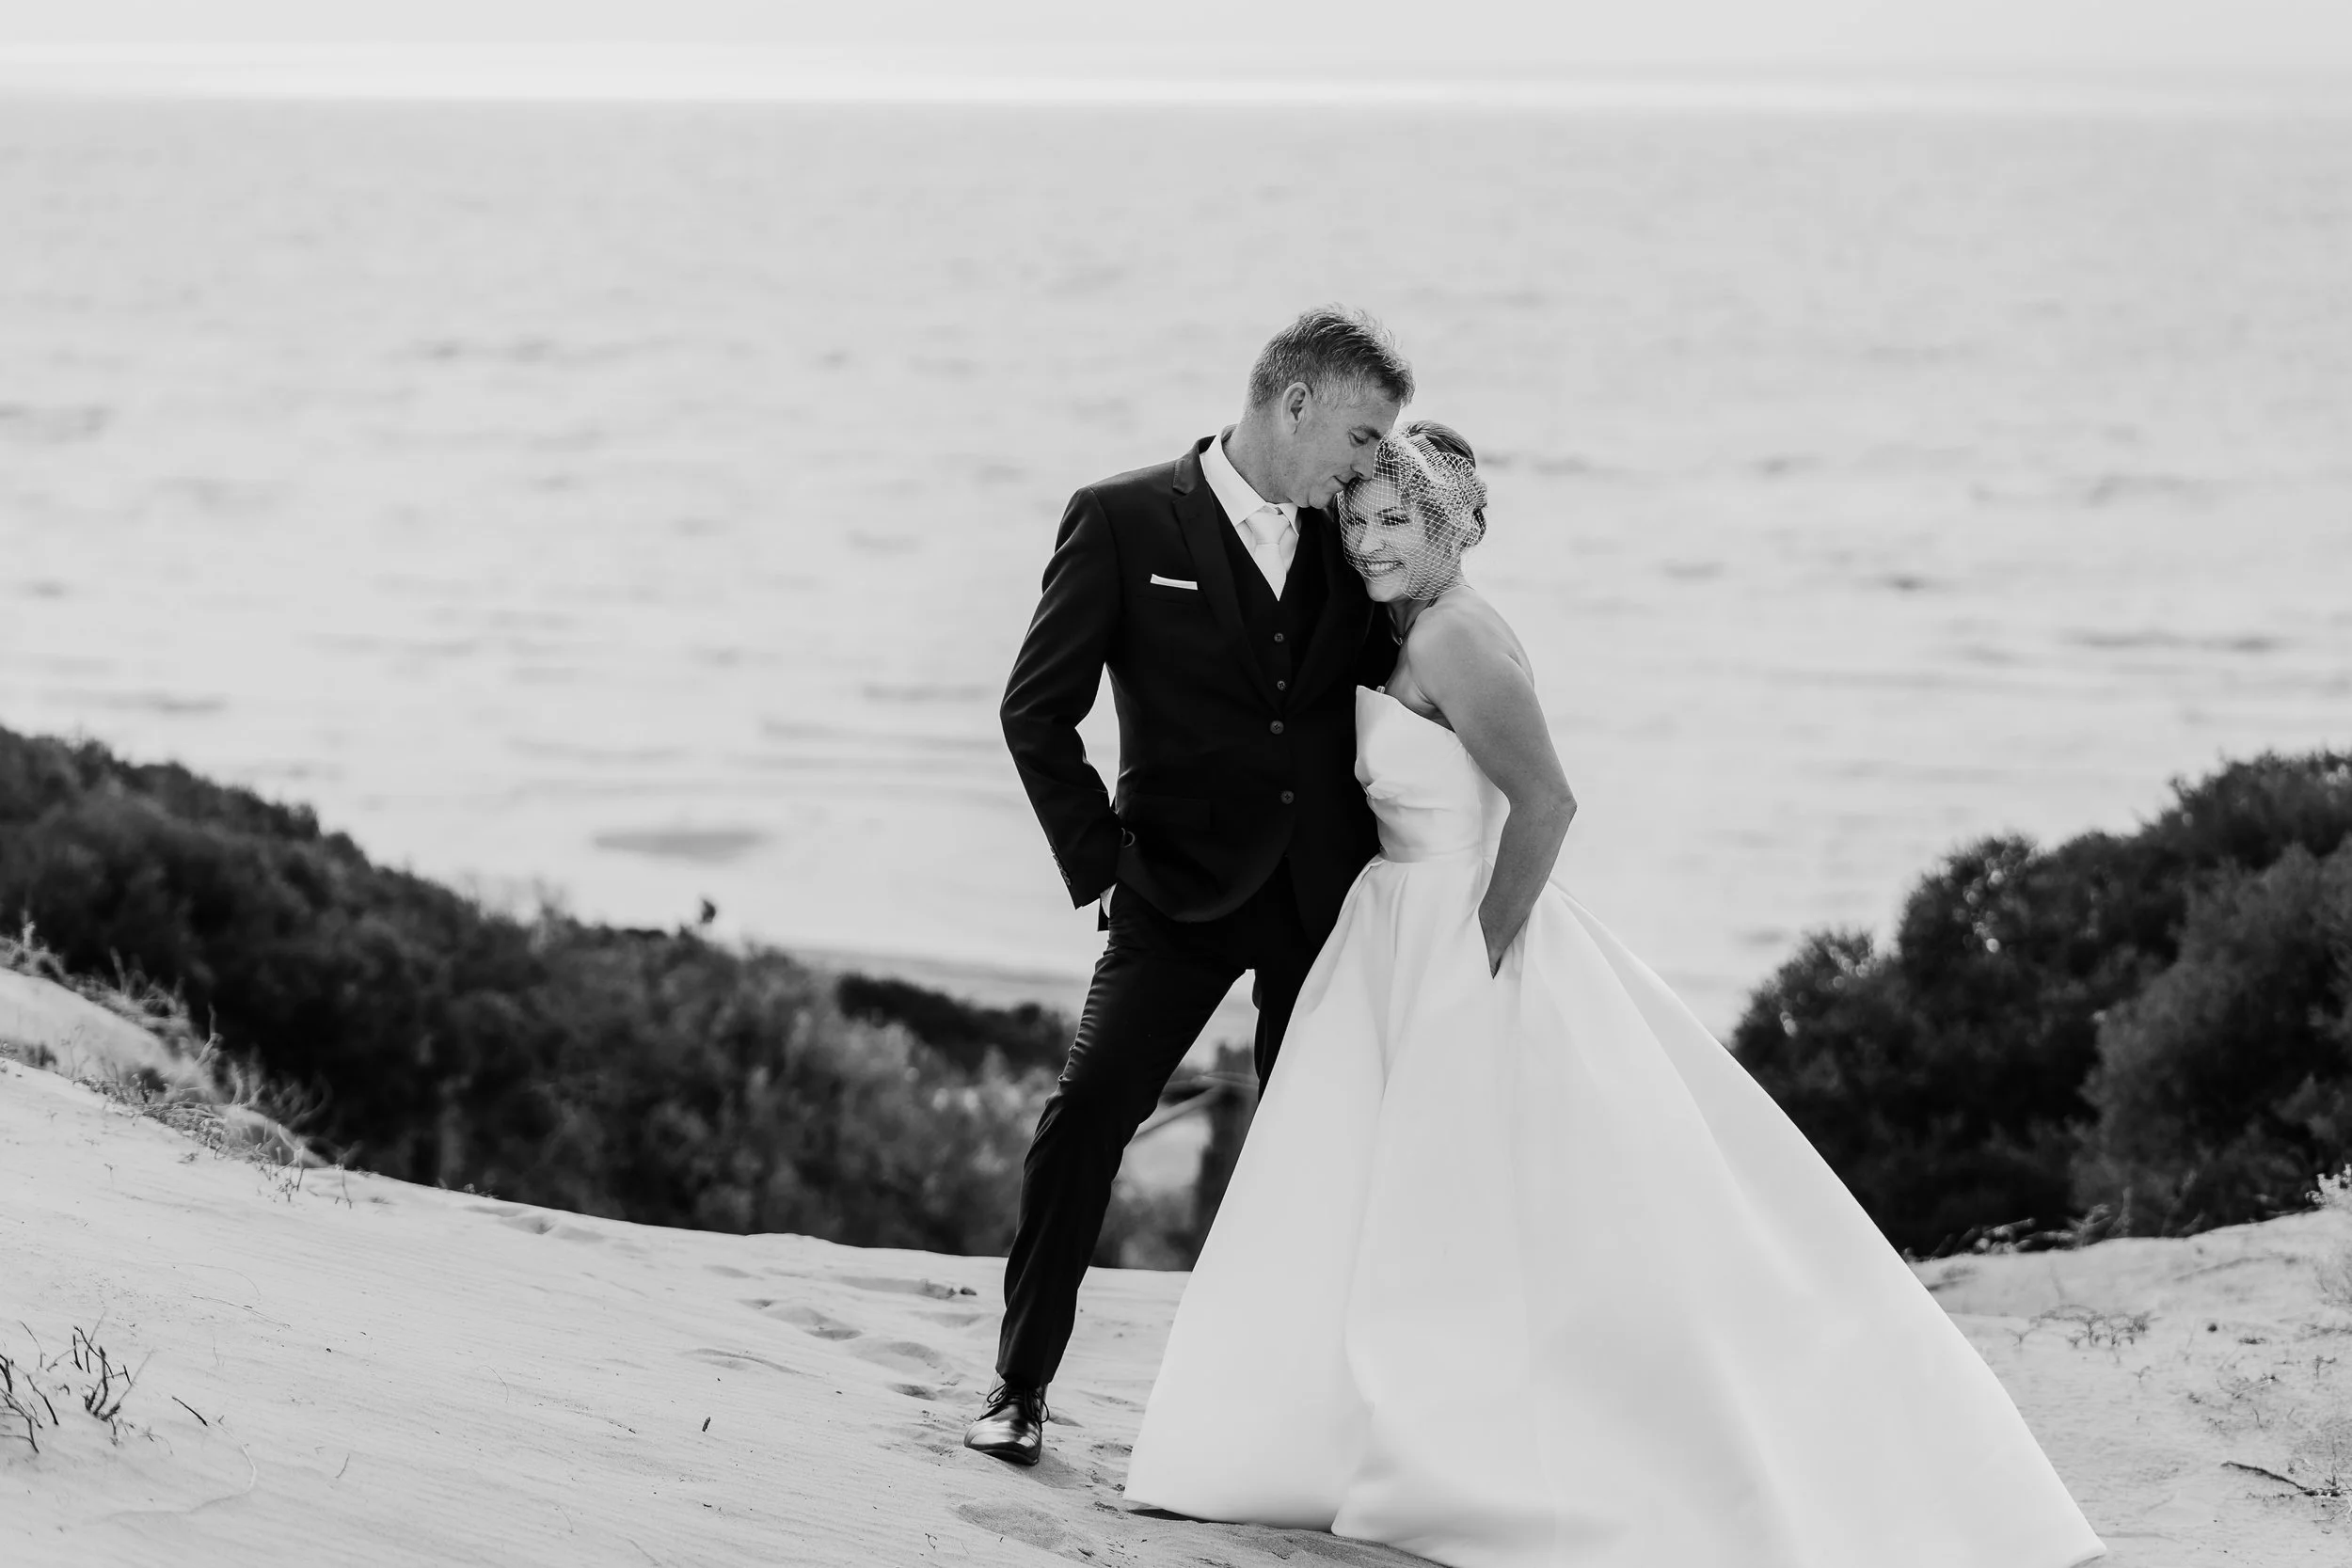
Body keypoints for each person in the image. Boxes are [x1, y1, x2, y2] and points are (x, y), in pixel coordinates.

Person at [1119, 424, 2110, 1568]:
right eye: (1358, 517)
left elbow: (1546, 806)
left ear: (1455, 528)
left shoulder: (1454, 639)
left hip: (1454, 939)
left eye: (1397, 519)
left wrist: (1472, 958)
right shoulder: (1408, 628)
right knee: (1391, 1206)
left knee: (1497, 1219)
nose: (1369, 539)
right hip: (1391, 936)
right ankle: (1354, 1436)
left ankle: (1481, 1459)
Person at [968, 306, 1411, 1465]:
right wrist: (1103, 867)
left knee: (1319, 1149)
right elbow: (1035, 711)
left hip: (1323, 896)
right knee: (1084, 1118)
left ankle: (1308, 1411)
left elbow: (1385, 689)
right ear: (1295, 402)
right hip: (1171, 892)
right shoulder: (1119, 518)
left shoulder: (1350, 543)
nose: (1370, 468)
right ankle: (1019, 1383)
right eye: (1362, 436)